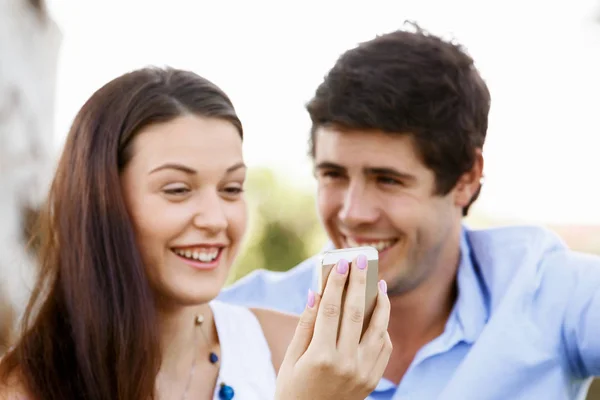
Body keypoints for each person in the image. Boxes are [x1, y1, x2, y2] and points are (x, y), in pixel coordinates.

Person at [219, 23, 600, 399]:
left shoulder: (544, 288)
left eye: (387, 180)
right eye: (333, 175)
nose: (353, 213)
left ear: (466, 178)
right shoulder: (240, 317)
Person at [0, 67, 392, 400]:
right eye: (178, 190)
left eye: (231, 189)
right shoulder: (22, 387)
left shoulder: (296, 352)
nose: (215, 219)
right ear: (101, 204)